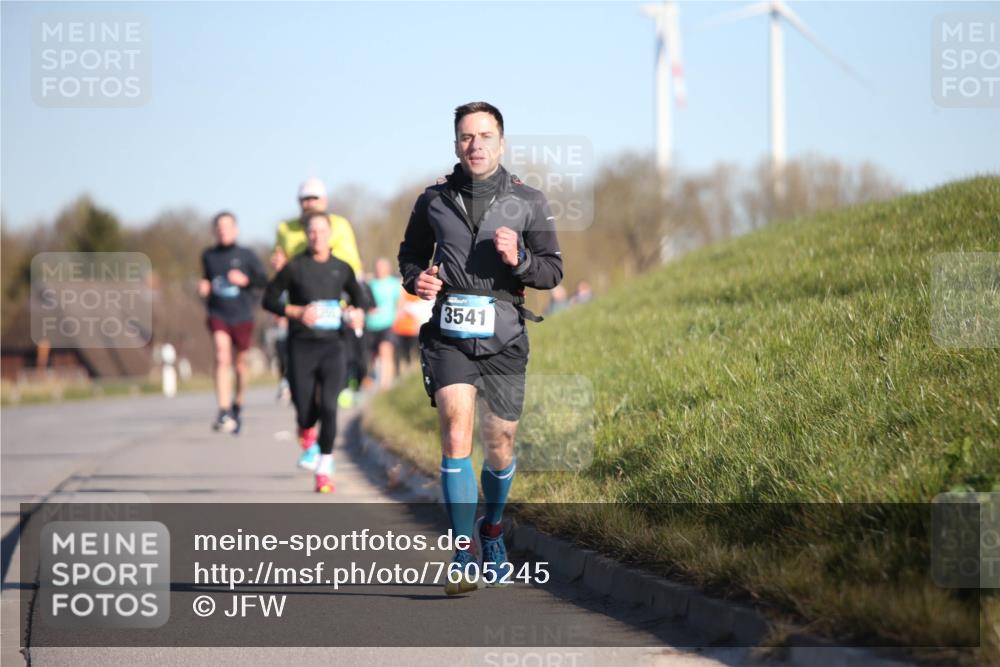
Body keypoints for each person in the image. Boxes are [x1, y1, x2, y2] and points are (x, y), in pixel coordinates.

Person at [398, 102, 563, 594]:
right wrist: (417, 280)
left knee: (500, 444)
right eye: (467, 136)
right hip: (449, 333)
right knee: (455, 433)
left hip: (506, 335)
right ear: (455, 144)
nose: (476, 144)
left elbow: (552, 270)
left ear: (501, 143)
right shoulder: (433, 200)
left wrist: (521, 259)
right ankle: (463, 550)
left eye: (485, 136)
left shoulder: (528, 200)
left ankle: (492, 529)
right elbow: (410, 256)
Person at [263, 211, 368, 493]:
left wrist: (356, 314)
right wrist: (295, 311)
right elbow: (269, 299)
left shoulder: (341, 268)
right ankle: (306, 431)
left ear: (330, 234)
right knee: (305, 410)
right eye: (311, 231)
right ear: (306, 235)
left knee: (329, 406)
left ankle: (324, 466)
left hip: (333, 345)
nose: (316, 235)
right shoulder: (295, 267)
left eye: (322, 230)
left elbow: (360, 299)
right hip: (301, 346)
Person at [274, 178, 363, 467]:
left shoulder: (340, 225)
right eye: (304, 199)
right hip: (301, 324)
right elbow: (279, 274)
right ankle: (304, 421)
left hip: (336, 319)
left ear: (324, 201)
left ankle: (324, 453)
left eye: (314, 199)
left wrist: (356, 305)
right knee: (304, 402)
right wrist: (293, 310)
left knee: (329, 398)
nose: (309, 204)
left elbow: (352, 266)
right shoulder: (286, 230)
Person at [198, 211, 268, 434]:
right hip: (218, 313)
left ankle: (238, 402)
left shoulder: (247, 255)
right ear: (214, 231)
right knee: (221, 356)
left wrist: (245, 280)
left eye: (227, 227)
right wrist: (204, 288)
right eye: (219, 227)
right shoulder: (208, 255)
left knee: (240, 364)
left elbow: (263, 280)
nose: (223, 231)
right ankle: (223, 409)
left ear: (235, 230)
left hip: (242, 314)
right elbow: (206, 280)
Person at [365, 258, 402, 389]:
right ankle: (376, 381)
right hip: (371, 324)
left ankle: (385, 385)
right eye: (377, 266)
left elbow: (400, 303)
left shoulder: (394, 284)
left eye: (382, 267)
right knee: (374, 356)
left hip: (388, 323)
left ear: (388, 268)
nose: (379, 269)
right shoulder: (370, 284)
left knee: (385, 352)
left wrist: (396, 318)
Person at [392, 289, 433, 375]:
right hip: (401, 330)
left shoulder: (418, 298)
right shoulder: (402, 294)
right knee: (403, 354)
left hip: (414, 330)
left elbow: (420, 310)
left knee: (414, 353)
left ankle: (411, 368)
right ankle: (405, 370)